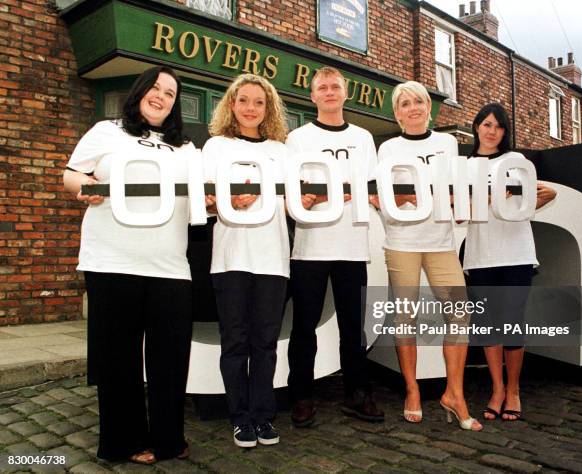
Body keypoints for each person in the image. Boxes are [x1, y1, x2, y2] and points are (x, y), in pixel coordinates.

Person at [63, 66, 195, 463]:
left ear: (175, 105)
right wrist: (84, 187)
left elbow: (202, 197)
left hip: (170, 265)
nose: (161, 96)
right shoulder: (108, 131)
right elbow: (71, 174)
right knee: (117, 358)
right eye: (155, 88)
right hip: (111, 259)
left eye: (170, 93)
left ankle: (169, 439)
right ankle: (124, 442)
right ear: (140, 91)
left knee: (170, 360)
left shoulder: (187, 148)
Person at [374, 81, 482, 430]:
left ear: (428, 108)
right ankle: (412, 390)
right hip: (402, 242)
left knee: (460, 315)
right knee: (405, 320)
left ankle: (454, 394)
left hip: (440, 243)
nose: (413, 108)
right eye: (405, 103)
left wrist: (457, 205)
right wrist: (399, 200)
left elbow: (454, 191)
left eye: (418, 101)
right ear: (397, 113)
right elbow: (381, 197)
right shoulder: (388, 148)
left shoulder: (447, 143)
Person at [286, 66, 384, 427]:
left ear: (346, 94)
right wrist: (310, 198)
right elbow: (293, 192)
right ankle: (302, 395)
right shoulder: (297, 139)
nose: (329, 92)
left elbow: (372, 188)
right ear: (312, 96)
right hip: (311, 247)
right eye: (322, 87)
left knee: (352, 326)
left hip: (352, 245)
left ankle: (358, 394)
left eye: (335, 87)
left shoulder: (363, 138)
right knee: (304, 326)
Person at [202, 73, 289, 448]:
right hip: (230, 258)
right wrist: (224, 202)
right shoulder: (216, 147)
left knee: (265, 342)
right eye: (244, 100)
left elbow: (294, 202)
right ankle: (240, 419)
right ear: (232, 105)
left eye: (259, 102)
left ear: (268, 108)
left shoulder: (281, 151)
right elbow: (203, 198)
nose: (251, 108)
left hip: (272, 259)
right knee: (234, 341)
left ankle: (263, 416)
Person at [463, 103, 557, 422]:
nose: (492, 131)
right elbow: (461, 211)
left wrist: (522, 209)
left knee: (512, 321)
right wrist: (490, 199)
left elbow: (547, 193)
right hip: (480, 256)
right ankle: (497, 389)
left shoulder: (515, 161)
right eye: (487, 124)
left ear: (505, 132)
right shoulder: (464, 166)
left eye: (499, 126)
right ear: (477, 126)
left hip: (516, 254)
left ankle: (514, 390)